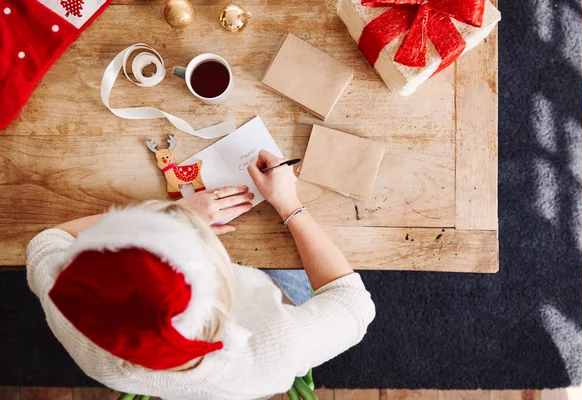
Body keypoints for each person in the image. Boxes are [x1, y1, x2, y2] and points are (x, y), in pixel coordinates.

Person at [26, 149, 376, 400]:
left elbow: (46, 241)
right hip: (266, 319)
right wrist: (288, 204)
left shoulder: (76, 321)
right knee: (293, 275)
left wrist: (172, 213)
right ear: (217, 285)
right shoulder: (276, 346)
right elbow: (353, 302)